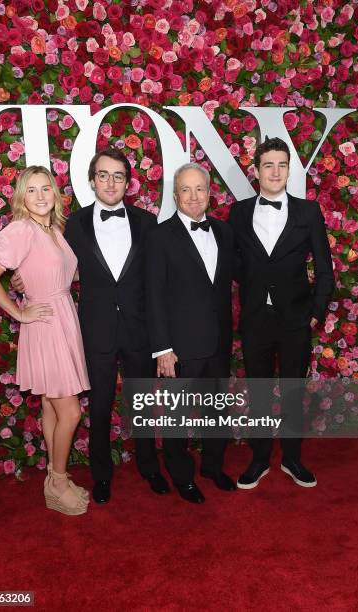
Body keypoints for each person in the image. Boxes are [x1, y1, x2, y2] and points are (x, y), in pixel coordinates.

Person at [0, 166, 90, 516]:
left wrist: (22, 281)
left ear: (54, 194)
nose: (41, 196)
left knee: (51, 406)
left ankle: (54, 478)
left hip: (62, 317)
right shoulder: (21, 230)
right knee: (70, 410)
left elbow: (61, 272)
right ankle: (56, 481)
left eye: (46, 189)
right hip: (45, 324)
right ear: (21, 197)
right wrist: (19, 312)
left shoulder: (54, 228)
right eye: (32, 190)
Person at [62, 148, 169, 504]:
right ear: (92, 181)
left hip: (139, 330)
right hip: (97, 329)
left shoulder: (147, 222)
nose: (110, 182)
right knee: (101, 405)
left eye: (118, 176)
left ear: (128, 183)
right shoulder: (74, 224)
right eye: (103, 175)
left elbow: (157, 281)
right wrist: (21, 282)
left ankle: (149, 468)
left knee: (141, 403)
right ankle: (101, 475)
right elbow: (57, 266)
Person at [228, 137, 334, 489]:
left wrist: (315, 312)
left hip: (295, 321)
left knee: (292, 392)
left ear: (289, 170)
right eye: (268, 165)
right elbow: (236, 265)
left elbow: (325, 269)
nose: (275, 171)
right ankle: (259, 460)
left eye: (282, 165)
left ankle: (291, 459)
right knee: (258, 393)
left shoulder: (308, 212)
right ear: (256, 171)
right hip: (256, 320)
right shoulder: (239, 213)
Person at [145, 162, 236, 504]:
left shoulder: (224, 232)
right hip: (180, 347)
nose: (194, 196)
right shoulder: (159, 236)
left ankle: (212, 467)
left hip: (218, 343)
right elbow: (153, 295)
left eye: (200, 188)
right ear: (175, 194)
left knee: (217, 412)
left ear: (210, 192)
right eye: (186, 189)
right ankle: (182, 477)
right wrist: (162, 348)